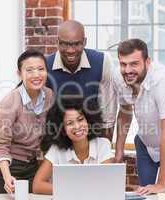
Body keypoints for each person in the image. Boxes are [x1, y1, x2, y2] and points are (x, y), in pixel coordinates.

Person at [46, 20, 131, 162]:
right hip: (59, 145)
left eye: (76, 44)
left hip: (93, 141)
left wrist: (103, 153)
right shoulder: (45, 66)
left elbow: (108, 116)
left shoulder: (102, 61)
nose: (71, 50)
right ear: (57, 42)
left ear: (84, 42)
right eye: (65, 44)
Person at [114, 39, 165, 195]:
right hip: (145, 144)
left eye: (134, 64)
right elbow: (125, 111)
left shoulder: (163, 80)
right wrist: (119, 149)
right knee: (146, 194)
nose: (127, 70)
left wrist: (162, 183)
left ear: (147, 62)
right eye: (123, 64)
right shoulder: (120, 76)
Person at [0, 49, 54, 194]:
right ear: (19, 74)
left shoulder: (49, 96)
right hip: (5, 168)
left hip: (31, 166)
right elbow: (1, 146)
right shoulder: (9, 102)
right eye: (29, 70)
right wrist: (7, 177)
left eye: (40, 69)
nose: (36, 75)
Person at [32, 98, 114, 195]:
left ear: (88, 120)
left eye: (80, 119)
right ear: (62, 129)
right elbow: (37, 186)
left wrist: (72, 190)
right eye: (70, 123)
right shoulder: (56, 150)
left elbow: (107, 184)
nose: (77, 126)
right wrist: (74, 190)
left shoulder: (102, 145)